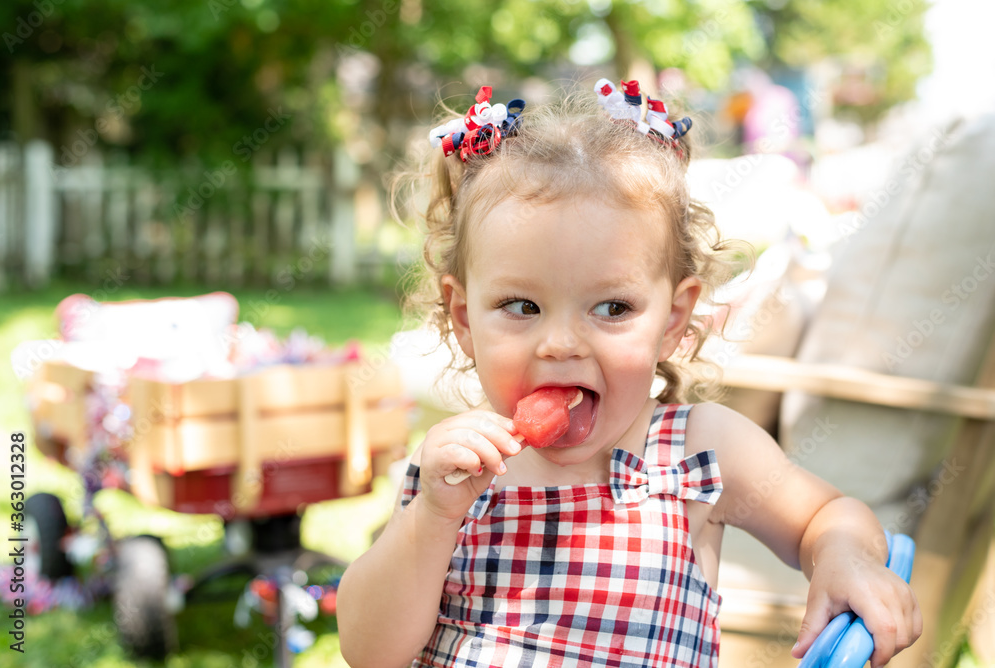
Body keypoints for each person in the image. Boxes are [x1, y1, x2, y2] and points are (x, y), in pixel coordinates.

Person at [336, 81, 921, 668]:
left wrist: (843, 555)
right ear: (465, 318)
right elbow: (369, 652)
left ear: (673, 319)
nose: (560, 344)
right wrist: (433, 517)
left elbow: (828, 515)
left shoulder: (699, 450)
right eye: (521, 306)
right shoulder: (452, 473)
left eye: (612, 308)